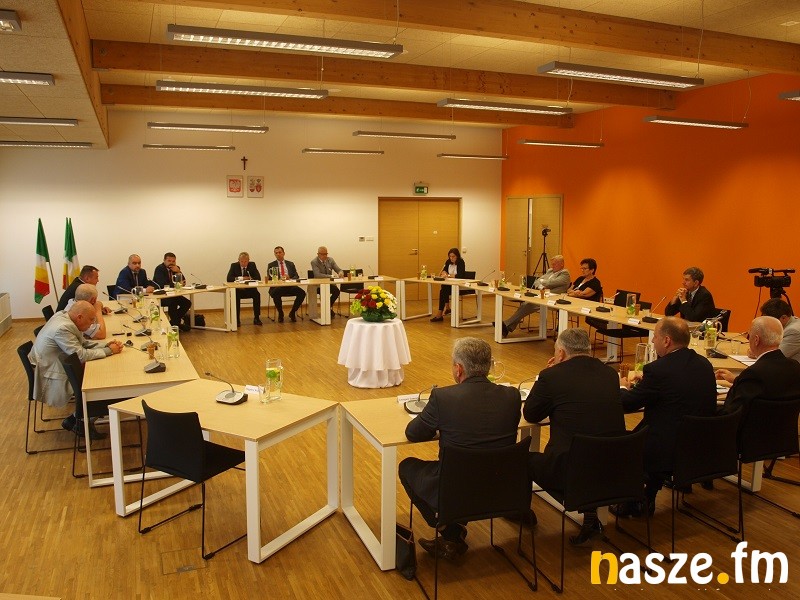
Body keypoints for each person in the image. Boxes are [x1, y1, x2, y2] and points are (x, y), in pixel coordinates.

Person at [398, 338, 521, 559]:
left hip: (455, 490)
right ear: (489, 366)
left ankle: (450, 531)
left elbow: (413, 433)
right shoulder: (512, 397)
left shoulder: (443, 398)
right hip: (503, 488)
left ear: (458, 369)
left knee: (406, 467)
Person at [524, 328, 625, 545]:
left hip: (569, 472)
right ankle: (590, 514)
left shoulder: (552, 376)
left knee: (522, 457)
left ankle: (521, 513)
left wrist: (544, 376)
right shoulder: (610, 374)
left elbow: (531, 414)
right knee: (588, 445)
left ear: (560, 353)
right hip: (613, 467)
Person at [612, 316, 717, 517]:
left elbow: (628, 403)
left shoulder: (658, 370)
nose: (653, 341)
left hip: (666, 448)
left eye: (655, 337)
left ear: (667, 340)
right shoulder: (704, 364)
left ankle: (635, 501)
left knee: (621, 440)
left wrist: (622, 386)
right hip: (698, 445)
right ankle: (649, 494)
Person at [28, 301, 123, 438]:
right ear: (79, 317)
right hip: (50, 372)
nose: (93, 323)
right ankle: (81, 419)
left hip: (56, 364)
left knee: (101, 373)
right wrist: (109, 351)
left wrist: (105, 345)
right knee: (102, 380)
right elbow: (81, 355)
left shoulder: (64, 317)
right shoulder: (63, 328)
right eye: (91, 320)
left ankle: (76, 419)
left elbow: (82, 344)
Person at [717, 316, 800, 414]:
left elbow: (732, 411)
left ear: (756, 340)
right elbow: (771, 386)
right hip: (786, 423)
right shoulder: (795, 367)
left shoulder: (753, 373)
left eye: (749, 336)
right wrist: (737, 380)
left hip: (751, 423)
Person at [502, 254, 571, 337]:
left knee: (527, 304)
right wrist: (542, 286)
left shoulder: (565, 274)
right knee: (525, 304)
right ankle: (507, 326)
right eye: (552, 264)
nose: (552, 266)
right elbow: (536, 281)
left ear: (562, 264)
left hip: (554, 299)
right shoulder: (550, 271)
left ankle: (506, 325)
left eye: (555, 264)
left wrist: (542, 282)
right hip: (542, 296)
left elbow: (551, 283)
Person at [153, 252, 192, 331]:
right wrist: (177, 284)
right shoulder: (160, 269)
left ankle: (173, 323)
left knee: (187, 303)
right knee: (173, 303)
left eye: (173, 261)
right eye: (169, 261)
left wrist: (178, 272)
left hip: (173, 295)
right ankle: (176, 324)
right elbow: (163, 284)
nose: (171, 263)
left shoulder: (175, 269)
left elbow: (183, 282)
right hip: (162, 296)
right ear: (164, 260)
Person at [267, 246, 306, 323]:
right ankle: (280, 313)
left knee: (302, 293)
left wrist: (289, 278)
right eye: (276, 253)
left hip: (290, 286)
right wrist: (279, 279)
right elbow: (270, 278)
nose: (278, 254)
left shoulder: (290, 264)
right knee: (276, 293)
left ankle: (292, 312)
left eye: (280, 252)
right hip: (278, 286)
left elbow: (296, 276)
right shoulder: (271, 265)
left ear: (284, 253)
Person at [225, 252, 262, 326]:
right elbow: (229, 279)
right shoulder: (234, 265)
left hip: (250, 289)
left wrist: (250, 278)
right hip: (239, 290)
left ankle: (257, 318)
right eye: (241, 261)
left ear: (248, 260)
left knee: (257, 295)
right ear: (238, 260)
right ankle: (237, 319)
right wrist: (241, 278)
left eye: (245, 261)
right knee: (235, 296)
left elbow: (258, 278)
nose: (243, 263)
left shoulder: (252, 265)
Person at [430, 247, 466, 322]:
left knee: (443, 290)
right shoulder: (448, 262)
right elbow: (444, 271)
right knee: (443, 288)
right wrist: (444, 273)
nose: (451, 258)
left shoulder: (461, 262)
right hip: (449, 285)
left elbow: (460, 275)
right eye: (450, 256)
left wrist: (449, 275)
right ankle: (446, 309)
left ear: (457, 256)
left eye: (453, 256)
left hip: (459, 286)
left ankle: (441, 312)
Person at [759, 298, 800, 363]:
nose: (767, 323)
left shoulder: (794, 331)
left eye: (770, 320)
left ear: (783, 318)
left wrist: (757, 352)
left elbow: (776, 356)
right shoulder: (788, 322)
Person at [311, 246, 344, 317]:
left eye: (326, 254)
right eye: (322, 254)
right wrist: (331, 276)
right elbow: (317, 275)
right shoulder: (314, 262)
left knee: (336, 291)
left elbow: (338, 269)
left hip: (329, 284)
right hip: (319, 285)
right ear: (318, 254)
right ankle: (327, 310)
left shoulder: (330, 260)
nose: (325, 256)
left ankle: (327, 308)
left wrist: (340, 273)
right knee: (324, 293)